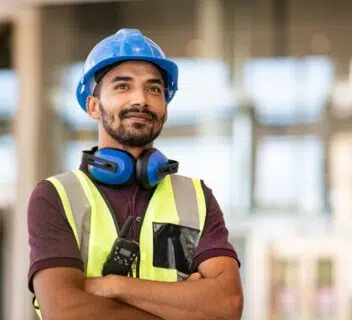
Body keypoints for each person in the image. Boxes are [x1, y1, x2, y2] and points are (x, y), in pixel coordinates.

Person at [27, 28, 243, 320]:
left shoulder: (197, 199)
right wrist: (184, 308)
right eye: (122, 87)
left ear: (165, 108)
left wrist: (114, 285)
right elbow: (66, 310)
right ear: (93, 106)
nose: (140, 99)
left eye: (154, 89)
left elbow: (227, 304)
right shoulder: (55, 196)